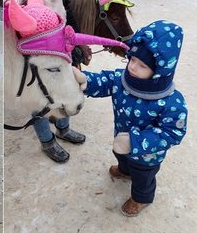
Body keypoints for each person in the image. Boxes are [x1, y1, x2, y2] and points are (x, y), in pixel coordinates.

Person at [79, 20, 187, 216]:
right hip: (120, 139)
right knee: (122, 157)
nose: (133, 68)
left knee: (143, 178)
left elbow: (173, 132)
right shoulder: (123, 80)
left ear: (160, 71)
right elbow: (106, 82)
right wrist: (86, 81)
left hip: (147, 155)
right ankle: (124, 170)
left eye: (142, 65)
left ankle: (141, 198)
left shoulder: (172, 102)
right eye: (132, 60)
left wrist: (135, 142)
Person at [4, 0, 89, 162]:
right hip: (31, 44)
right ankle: (46, 139)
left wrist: (77, 38)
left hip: (60, 35)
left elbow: (65, 2)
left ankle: (63, 128)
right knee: (40, 92)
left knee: (67, 83)